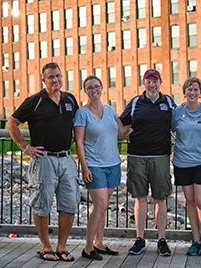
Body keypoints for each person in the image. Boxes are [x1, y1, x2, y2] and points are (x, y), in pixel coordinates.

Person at [7, 62, 79, 262]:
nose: (56, 80)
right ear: (43, 80)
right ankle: (45, 246)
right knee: (41, 204)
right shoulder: (35, 101)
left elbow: (80, 126)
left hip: (66, 160)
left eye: (58, 76)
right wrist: (24, 147)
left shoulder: (70, 99)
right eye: (51, 77)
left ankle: (62, 247)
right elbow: (12, 122)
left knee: (69, 205)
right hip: (44, 160)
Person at [119, 69, 176, 256]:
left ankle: (161, 240)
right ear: (144, 83)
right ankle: (140, 239)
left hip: (160, 157)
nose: (152, 85)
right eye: (148, 81)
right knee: (140, 199)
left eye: (155, 81)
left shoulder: (167, 102)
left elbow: (180, 121)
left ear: (161, 82)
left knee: (160, 199)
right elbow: (120, 124)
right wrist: (124, 130)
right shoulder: (135, 102)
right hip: (137, 157)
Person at [74, 76, 129, 260]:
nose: (94, 90)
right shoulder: (82, 113)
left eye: (96, 86)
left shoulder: (109, 109)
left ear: (102, 88)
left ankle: (99, 243)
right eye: (89, 88)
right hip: (94, 166)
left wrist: (145, 123)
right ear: (85, 91)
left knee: (103, 207)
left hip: (113, 165)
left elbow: (121, 131)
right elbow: (79, 142)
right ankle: (88, 247)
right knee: (101, 205)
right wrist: (84, 167)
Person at [171, 77, 201, 256]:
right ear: (184, 92)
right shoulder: (177, 113)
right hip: (182, 163)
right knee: (190, 202)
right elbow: (169, 129)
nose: (192, 92)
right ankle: (195, 240)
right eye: (189, 89)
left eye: (196, 90)